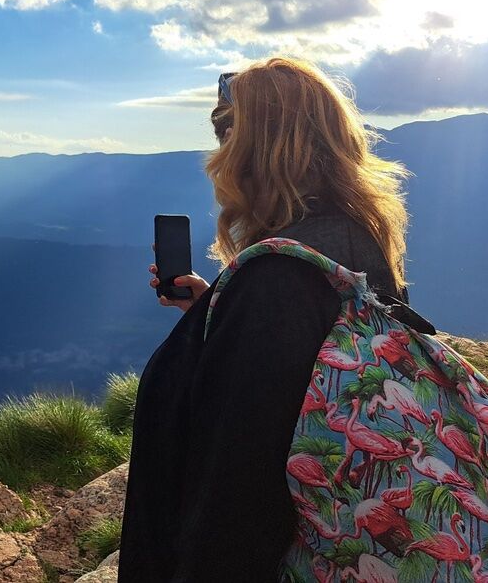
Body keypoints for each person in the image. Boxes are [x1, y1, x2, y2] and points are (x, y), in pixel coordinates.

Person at [116, 56, 417, 582]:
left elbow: (233, 505)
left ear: (265, 146)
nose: (217, 153)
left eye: (226, 129)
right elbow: (315, 371)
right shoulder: (358, 239)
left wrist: (246, 311)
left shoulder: (276, 283)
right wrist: (218, 314)